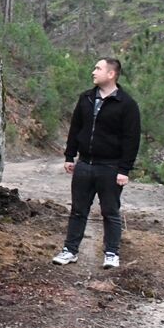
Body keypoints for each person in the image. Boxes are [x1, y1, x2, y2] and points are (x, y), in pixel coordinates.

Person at [51, 58, 141, 270]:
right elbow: (75, 128)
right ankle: (70, 250)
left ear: (111, 74)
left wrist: (124, 169)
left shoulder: (127, 104)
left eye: (98, 68)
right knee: (78, 210)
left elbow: (131, 139)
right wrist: (69, 156)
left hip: (110, 167)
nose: (93, 72)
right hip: (84, 165)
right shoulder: (86, 98)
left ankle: (111, 253)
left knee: (110, 211)